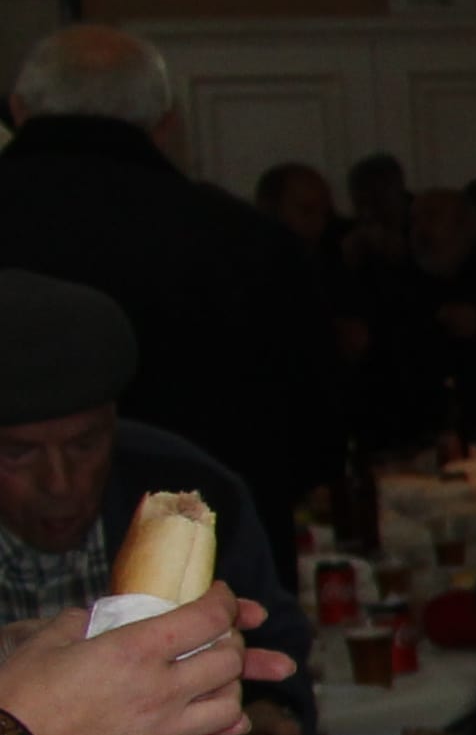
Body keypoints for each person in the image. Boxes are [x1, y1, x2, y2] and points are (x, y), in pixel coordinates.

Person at [0, 278, 318, 735]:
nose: (60, 482)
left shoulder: (191, 490)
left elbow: (272, 641)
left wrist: (270, 716)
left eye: (86, 443)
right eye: (18, 454)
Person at [0, 26, 335, 530]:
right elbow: (316, 438)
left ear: (18, 110)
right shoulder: (249, 244)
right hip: (211, 548)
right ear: (165, 125)